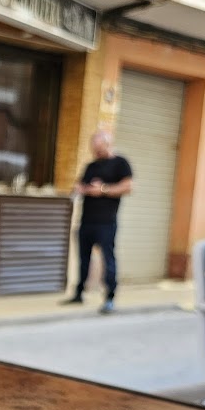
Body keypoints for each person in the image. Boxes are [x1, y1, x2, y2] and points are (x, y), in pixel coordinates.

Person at [62, 130, 133, 314]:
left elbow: (128, 187)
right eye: (94, 149)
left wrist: (102, 189)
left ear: (108, 145)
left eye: (100, 149)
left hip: (106, 222)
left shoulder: (120, 163)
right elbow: (80, 186)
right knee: (83, 258)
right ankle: (78, 293)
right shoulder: (91, 166)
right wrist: (81, 189)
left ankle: (110, 297)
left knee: (108, 259)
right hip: (87, 220)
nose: (96, 153)